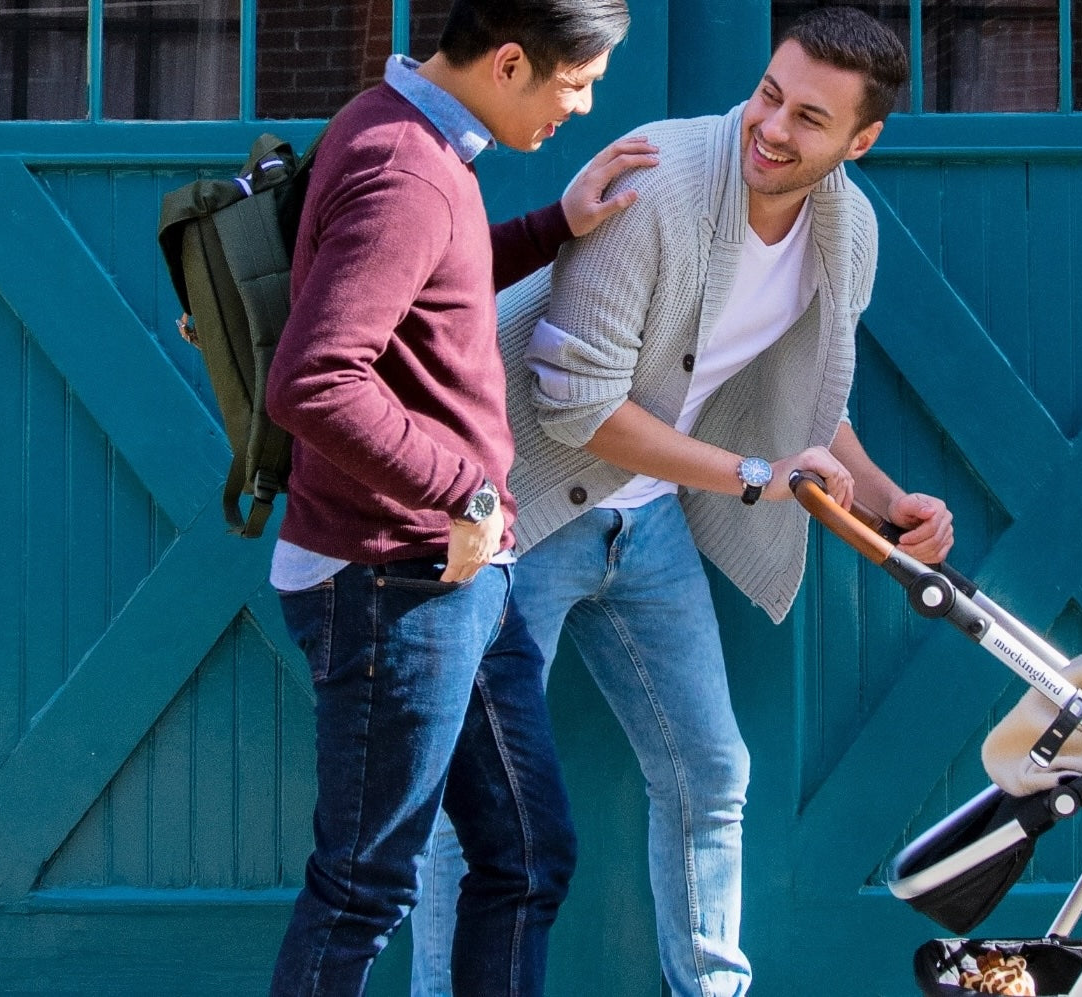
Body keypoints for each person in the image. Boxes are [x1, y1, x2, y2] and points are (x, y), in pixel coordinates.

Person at [410, 9, 950, 996]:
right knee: (482, 800)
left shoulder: (848, 230)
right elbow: (576, 408)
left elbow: (811, 401)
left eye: (810, 118)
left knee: (711, 772)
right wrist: (752, 475)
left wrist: (887, 500)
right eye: (769, 95)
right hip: (519, 513)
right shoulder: (660, 183)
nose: (772, 128)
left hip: (648, 522)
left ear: (860, 141)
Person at [261, 0, 655, 993]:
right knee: (363, 887)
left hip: (454, 579)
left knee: (527, 857)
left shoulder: (409, 134)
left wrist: (555, 227)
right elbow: (314, 381)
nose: (584, 105)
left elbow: (436, 289)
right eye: (578, 82)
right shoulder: (405, 167)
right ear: (512, 62)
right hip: (391, 580)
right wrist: (467, 493)